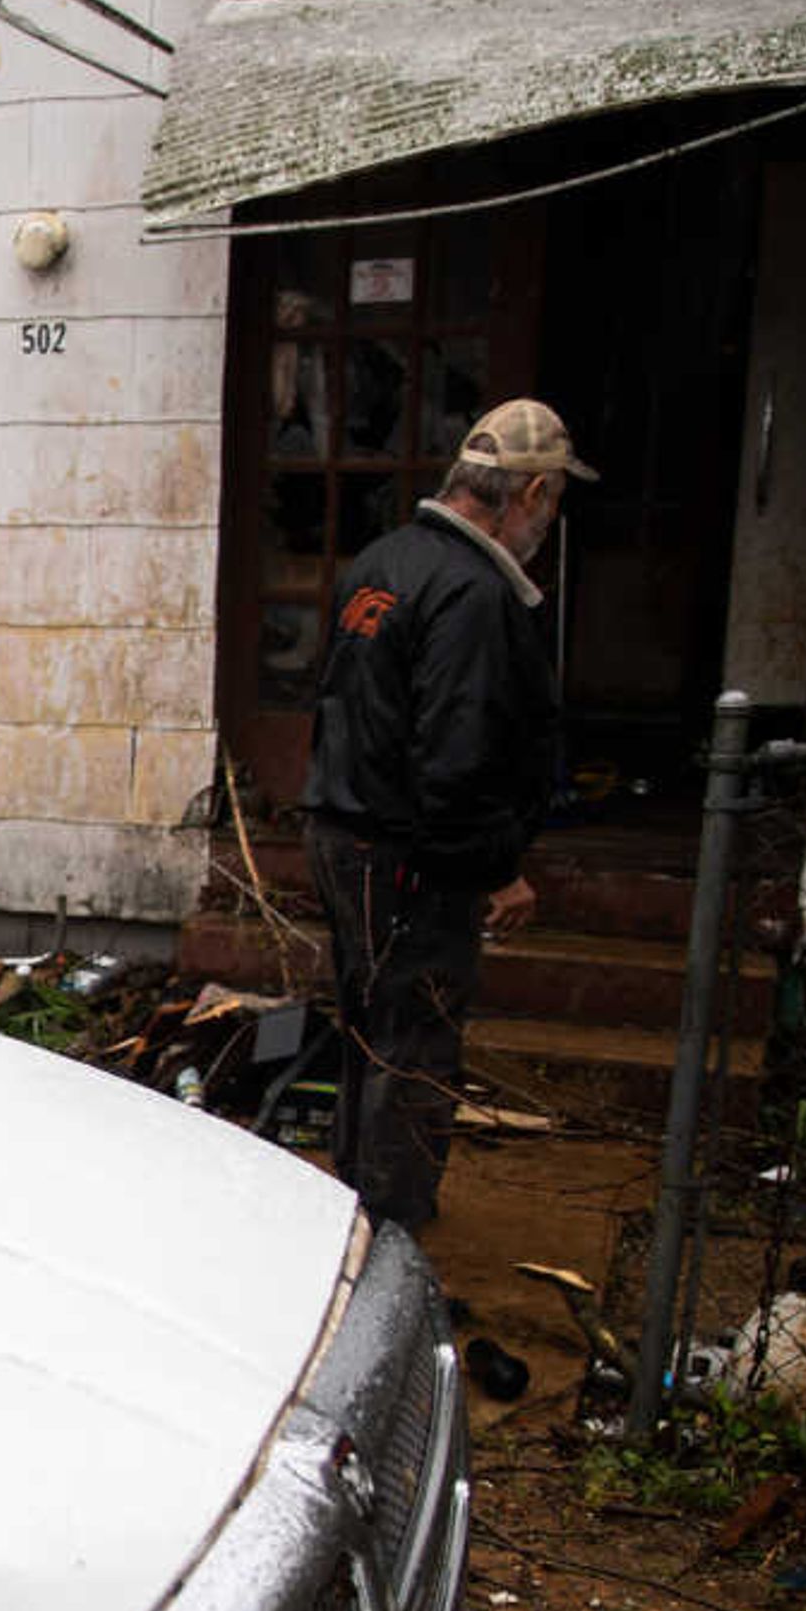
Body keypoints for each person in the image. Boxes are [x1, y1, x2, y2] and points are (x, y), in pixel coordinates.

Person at [301, 397, 592, 1230]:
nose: (550, 520)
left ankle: (353, 1212)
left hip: (346, 829)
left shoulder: (383, 560)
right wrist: (492, 865)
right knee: (414, 1046)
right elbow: (457, 751)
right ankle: (389, 1236)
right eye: (554, 500)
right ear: (530, 493)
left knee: (370, 1027)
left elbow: (340, 705)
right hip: (407, 852)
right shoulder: (470, 592)